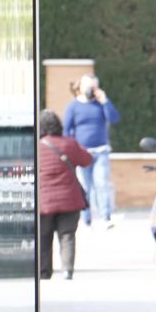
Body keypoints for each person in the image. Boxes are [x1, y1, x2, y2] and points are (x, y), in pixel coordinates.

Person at [37, 109, 92, 280]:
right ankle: (67, 271)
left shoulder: (36, 147)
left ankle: (44, 272)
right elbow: (87, 160)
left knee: (43, 237)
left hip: (44, 201)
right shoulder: (70, 144)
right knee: (67, 235)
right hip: (69, 200)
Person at [63, 75, 121, 228]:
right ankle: (86, 219)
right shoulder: (73, 106)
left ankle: (105, 218)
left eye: (94, 87)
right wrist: (70, 150)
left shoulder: (101, 104)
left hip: (101, 151)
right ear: (81, 87)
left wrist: (105, 101)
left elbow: (114, 118)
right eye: (88, 86)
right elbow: (66, 130)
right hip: (82, 153)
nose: (91, 90)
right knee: (85, 187)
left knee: (101, 184)